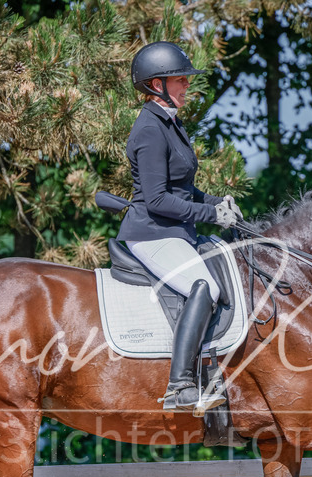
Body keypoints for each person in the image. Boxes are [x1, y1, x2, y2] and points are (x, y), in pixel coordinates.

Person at [117, 41, 242, 414]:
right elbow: (156, 200)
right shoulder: (150, 130)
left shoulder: (170, 123)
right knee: (204, 286)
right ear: (157, 85)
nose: (188, 85)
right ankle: (181, 387)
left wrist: (215, 203)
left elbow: (181, 188)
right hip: (151, 232)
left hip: (173, 230)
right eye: (180, 79)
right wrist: (209, 216)